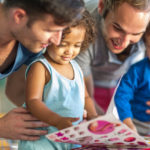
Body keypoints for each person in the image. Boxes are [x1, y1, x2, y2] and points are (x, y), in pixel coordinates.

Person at [0, 0, 84, 140]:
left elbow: (17, 92)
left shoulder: (30, 43)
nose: (57, 41)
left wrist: (68, 110)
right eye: (51, 30)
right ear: (19, 16)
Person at [18, 10, 98, 150]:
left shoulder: (76, 67)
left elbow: (85, 97)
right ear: (50, 39)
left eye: (76, 45)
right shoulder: (40, 67)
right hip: (42, 142)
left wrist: (92, 115)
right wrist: (57, 121)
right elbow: (33, 101)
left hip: (71, 141)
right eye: (63, 44)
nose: (69, 51)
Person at [75, 0, 150, 114]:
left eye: (135, 34)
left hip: (124, 84)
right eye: (118, 28)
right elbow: (86, 95)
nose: (124, 43)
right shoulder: (83, 31)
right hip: (93, 83)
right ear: (101, 6)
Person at [114, 24, 150, 136]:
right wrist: (127, 121)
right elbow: (121, 95)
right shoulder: (137, 70)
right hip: (137, 124)